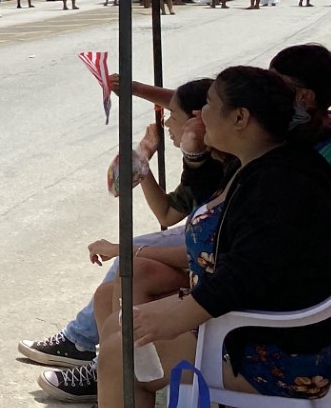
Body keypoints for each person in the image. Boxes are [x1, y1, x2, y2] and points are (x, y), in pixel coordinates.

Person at [38, 67, 331, 408]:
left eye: (210, 105)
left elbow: (247, 274)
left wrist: (178, 315)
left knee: (120, 351)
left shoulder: (276, 182)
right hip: (275, 327)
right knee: (123, 328)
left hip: (280, 351)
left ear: (241, 117)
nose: (201, 115)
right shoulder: (273, 164)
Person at [19, 79, 224, 390]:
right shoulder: (199, 163)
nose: (167, 122)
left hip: (214, 283)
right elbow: (166, 213)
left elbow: (197, 246)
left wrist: (125, 250)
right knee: (110, 289)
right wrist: (143, 155)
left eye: (174, 116)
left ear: (199, 121)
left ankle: (98, 359)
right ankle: (103, 365)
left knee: (131, 266)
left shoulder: (220, 169)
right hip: (203, 263)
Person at [273, 44, 331, 208]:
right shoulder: (289, 127)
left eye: (274, 82)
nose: (265, 88)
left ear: (305, 96)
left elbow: (321, 208)